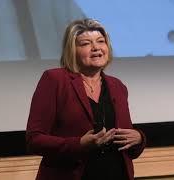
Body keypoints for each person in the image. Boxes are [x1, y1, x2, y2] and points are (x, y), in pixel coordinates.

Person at [26, 18, 146, 180]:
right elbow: (34, 140)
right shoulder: (55, 79)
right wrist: (79, 144)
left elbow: (126, 142)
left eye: (101, 41)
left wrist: (139, 138)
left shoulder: (117, 86)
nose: (96, 47)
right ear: (72, 50)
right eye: (85, 44)